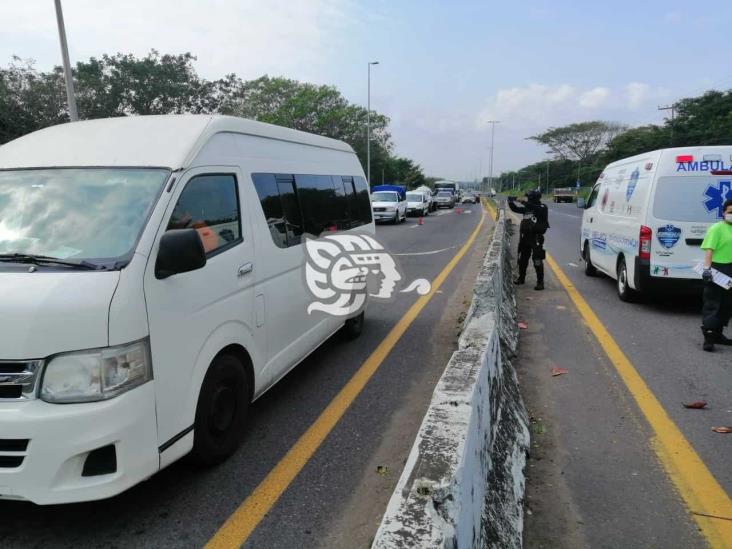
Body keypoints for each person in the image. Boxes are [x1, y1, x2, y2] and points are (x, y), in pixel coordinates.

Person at [700, 198, 732, 351]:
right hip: (717, 269)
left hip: (731, 270)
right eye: (730, 212)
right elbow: (709, 250)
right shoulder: (716, 229)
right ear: (723, 213)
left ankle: (718, 334)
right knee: (713, 304)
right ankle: (709, 338)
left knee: (727, 304)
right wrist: (707, 269)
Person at [507, 190, 550, 291]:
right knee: (523, 259)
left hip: (536, 238)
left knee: (537, 260)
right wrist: (510, 201)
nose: (527, 199)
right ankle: (521, 278)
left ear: (533, 198)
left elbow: (534, 208)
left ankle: (540, 283)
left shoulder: (542, 207)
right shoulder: (527, 209)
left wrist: (522, 201)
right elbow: (516, 209)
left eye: (528, 197)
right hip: (525, 237)